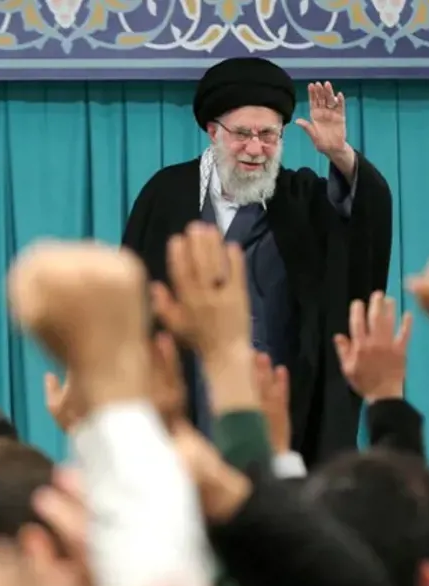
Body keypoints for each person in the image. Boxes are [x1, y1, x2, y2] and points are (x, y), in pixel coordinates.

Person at [122, 57, 393, 466]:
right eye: (242, 134)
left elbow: (362, 224)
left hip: (281, 406)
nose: (255, 149)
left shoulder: (301, 199)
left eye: (268, 135)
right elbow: (131, 301)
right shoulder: (167, 195)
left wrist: (339, 154)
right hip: (187, 405)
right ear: (213, 130)